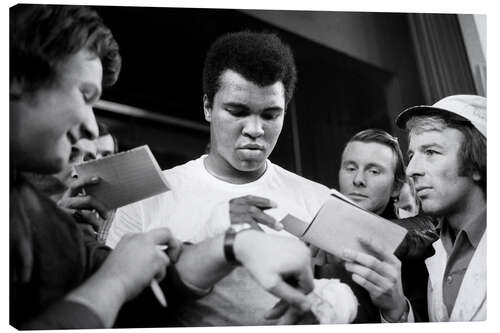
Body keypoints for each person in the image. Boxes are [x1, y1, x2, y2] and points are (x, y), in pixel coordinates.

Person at [10, 6, 316, 329]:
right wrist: (117, 278)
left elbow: (144, 282)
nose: (90, 126)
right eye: (84, 96)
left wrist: (233, 243)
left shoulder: (40, 218)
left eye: (270, 114)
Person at [107, 31, 371, 326]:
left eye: (270, 115)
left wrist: (332, 302)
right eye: (237, 111)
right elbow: (115, 305)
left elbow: (360, 302)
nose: (255, 129)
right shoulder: (149, 196)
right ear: (208, 107)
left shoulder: (318, 201)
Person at [342, 95, 486, 322]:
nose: (411, 170)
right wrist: (396, 310)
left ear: (479, 162)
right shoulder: (437, 247)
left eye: (431, 152)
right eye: (412, 155)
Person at [334, 128, 437, 321]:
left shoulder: (418, 257)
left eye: (374, 171)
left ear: (397, 187)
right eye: (350, 168)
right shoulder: (317, 238)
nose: (358, 180)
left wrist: (396, 313)